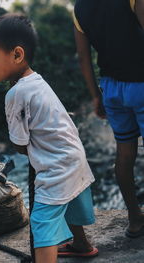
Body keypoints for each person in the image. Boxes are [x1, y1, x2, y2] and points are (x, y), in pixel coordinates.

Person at [0, 13, 98, 263]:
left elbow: (20, 145)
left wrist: (28, 148)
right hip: (74, 156)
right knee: (70, 200)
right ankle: (81, 245)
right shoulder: (38, 81)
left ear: (17, 55)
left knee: (42, 220)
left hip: (56, 166)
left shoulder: (15, 94)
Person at [73, 0, 144, 238]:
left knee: (124, 154)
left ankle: (134, 220)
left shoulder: (81, 8)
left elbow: (83, 58)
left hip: (111, 89)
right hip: (141, 82)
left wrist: (95, 96)